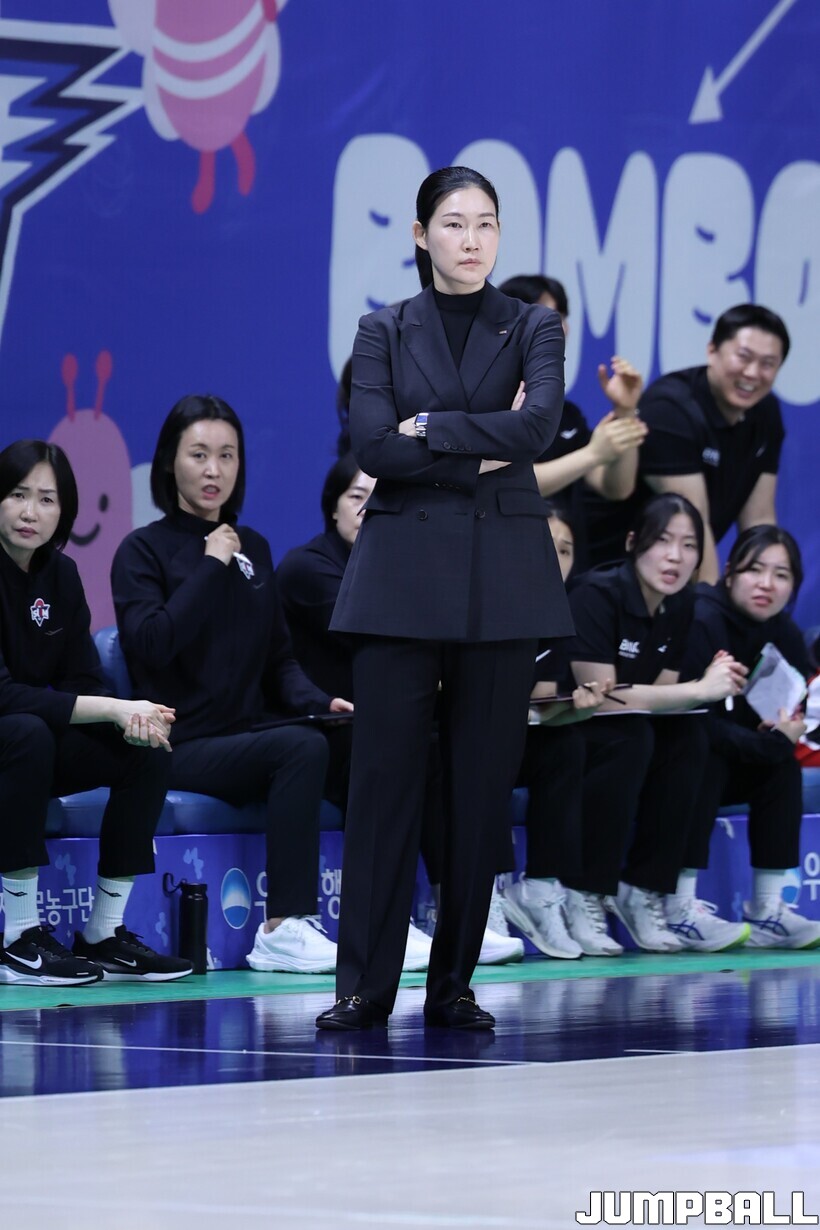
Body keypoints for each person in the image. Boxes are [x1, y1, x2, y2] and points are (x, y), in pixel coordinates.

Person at [315, 165, 572, 1032]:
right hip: (398, 578)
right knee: (383, 787)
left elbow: (538, 429)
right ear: (421, 234)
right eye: (455, 223)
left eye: (486, 223)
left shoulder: (533, 323)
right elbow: (374, 449)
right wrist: (483, 446)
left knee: (479, 791)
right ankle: (363, 986)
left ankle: (454, 982)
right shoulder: (382, 328)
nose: (472, 239)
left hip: (505, 579)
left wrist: (431, 428)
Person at [112, 395, 353, 975]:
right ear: (170, 461)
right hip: (181, 743)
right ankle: (282, 928)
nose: (214, 469)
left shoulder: (256, 549)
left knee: (361, 739)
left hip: (247, 735)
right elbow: (152, 644)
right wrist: (212, 563)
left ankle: (378, 917)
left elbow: (279, 661)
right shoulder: (142, 551)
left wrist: (323, 702)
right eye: (199, 454)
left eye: (227, 455)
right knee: (299, 748)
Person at [277, 454, 524, 967]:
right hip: (325, 726)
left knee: (465, 746)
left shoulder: (406, 569)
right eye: (356, 497)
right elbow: (370, 639)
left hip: (384, 720)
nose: (370, 508)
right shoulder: (309, 566)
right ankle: (393, 919)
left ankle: (463, 912)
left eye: (383, 497)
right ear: (332, 507)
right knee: (402, 752)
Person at [0, 439, 192, 985]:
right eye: (17, 495)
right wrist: (112, 705)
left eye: (46, 499)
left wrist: (130, 719)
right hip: (15, 740)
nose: (30, 512)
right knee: (27, 732)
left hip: (29, 748)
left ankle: (103, 933)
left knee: (144, 748)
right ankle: (18, 938)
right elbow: (4, 696)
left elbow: (81, 677)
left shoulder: (62, 575)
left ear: (63, 512)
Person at [564, 493, 748, 954]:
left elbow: (660, 696)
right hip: (568, 725)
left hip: (628, 728)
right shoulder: (596, 595)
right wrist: (699, 689)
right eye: (663, 540)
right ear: (632, 542)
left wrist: (712, 683)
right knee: (631, 736)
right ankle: (584, 890)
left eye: (689, 546)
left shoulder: (679, 605)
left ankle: (644, 889)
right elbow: (603, 699)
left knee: (689, 737)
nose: (675, 556)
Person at [672, 525, 820, 949]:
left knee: (783, 766)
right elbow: (696, 722)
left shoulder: (784, 633)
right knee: (704, 755)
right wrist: (767, 741)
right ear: (730, 572)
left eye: (781, 575)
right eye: (755, 570)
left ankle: (769, 909)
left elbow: (788, 711)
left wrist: (782, 733)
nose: (766, 584)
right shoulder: (702, 618)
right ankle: (679, 907)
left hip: (734, 752)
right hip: (673, 764)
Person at [584, 303, 790, 578]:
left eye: (768, 364)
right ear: (712, 350)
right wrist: (709, 604)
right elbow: (694, 524)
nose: (752, 373)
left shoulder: (765, 412)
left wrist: (763, 588)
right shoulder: (670, 409)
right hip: (607, 570)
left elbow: (759, 520)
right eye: (743, 357)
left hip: (667, 576)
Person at [499, 503, 611, 959]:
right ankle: (483, 895)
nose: (555, 559)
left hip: (512, 733)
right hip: (456, 741)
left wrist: (576, 710)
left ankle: (541, 889)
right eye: (543, 545)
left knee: (566, 744)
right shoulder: (477, 603)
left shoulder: (557, 618)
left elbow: (540, 702)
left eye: (565, 551)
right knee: (488, 750)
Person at [498, 274, 647, 572]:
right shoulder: (488, 402)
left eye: (563, 318)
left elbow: (616, 487)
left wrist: (625, 411)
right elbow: (510, 481)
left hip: (568, 573)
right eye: (550, 318)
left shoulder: (566, 413)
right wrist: (592, 454)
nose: (563, 328)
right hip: (507, 564)